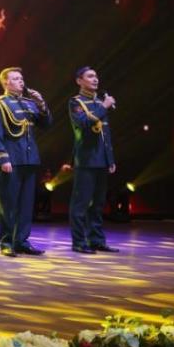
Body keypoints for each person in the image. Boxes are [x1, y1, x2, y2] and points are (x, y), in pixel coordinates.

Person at [0, 67, 52, 257]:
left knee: (26, 204)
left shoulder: (29, 103)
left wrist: (42, 105)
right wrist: (2, 157)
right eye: (15, 78)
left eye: (21, 78)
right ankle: (6, 242)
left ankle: (22, 241)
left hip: (29, 159)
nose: (21, 81)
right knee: (8, 204)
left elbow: (46, 124)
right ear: (5, 82)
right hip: (11, 159)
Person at [68, 66, 119, 254]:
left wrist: (110, 159)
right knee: (81, 203)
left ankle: (96, 240)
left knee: (98, 204)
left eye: (96, 76)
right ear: (79, 81)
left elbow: (105, 134)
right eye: (90, 76)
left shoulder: (99, 101)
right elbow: (83, 122)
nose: (95, 79)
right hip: (86, 159)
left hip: (101, 159)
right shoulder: (76, 102)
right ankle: (79, 242)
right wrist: (104, 107)